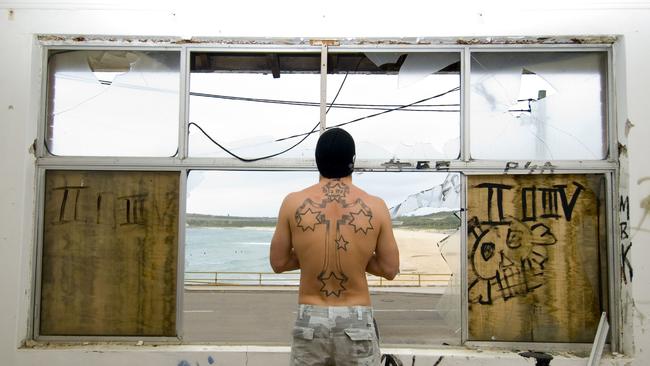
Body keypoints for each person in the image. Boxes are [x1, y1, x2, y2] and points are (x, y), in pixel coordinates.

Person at [270, 127, 400, 366]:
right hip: (356, 318)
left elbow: (278, 263)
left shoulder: (293, 203)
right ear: (353, 162)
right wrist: (358, 255)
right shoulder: (376, 206)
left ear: (317, 161)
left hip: (311, 318)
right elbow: (390, 268)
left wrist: (308, 254)